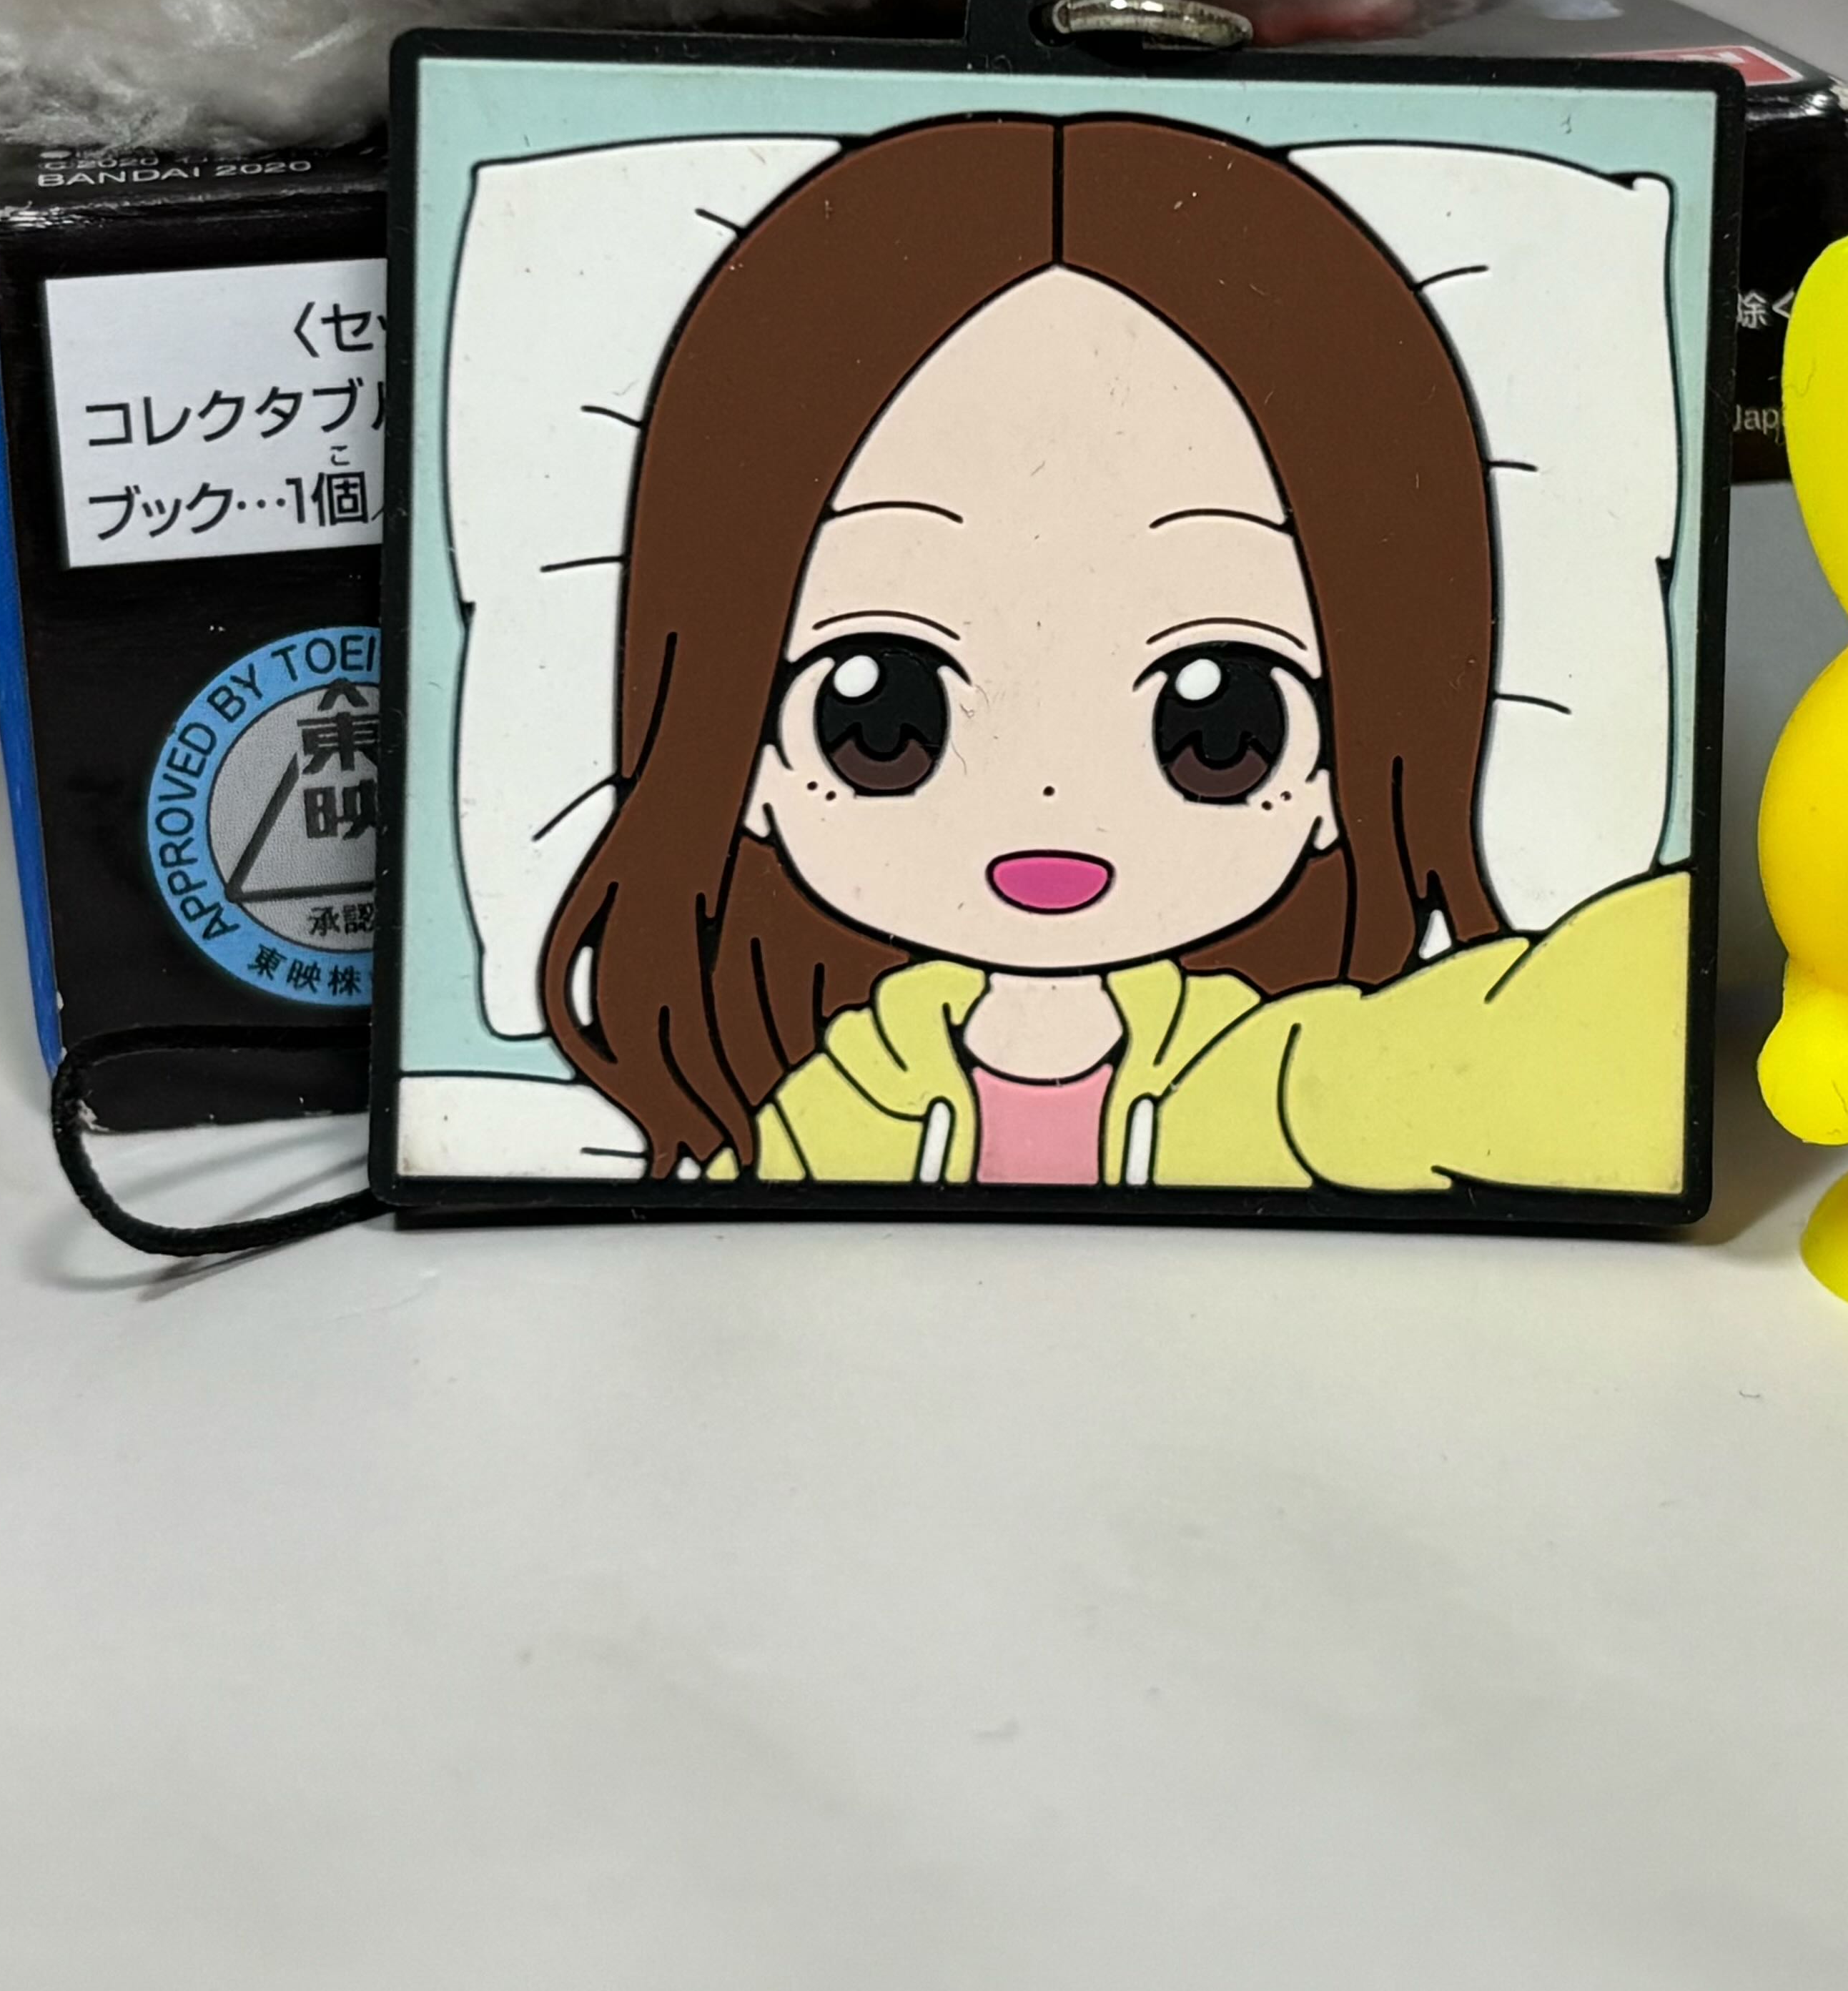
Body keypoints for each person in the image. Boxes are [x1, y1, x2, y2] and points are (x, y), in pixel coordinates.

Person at [538, 113, 1684, 1196]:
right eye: (882, 721)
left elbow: (1525, 1034)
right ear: (739, 754)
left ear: (1353, 764)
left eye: (1218, 731)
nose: (1049, 801)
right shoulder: (830, 1108)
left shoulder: (1276, 1077)